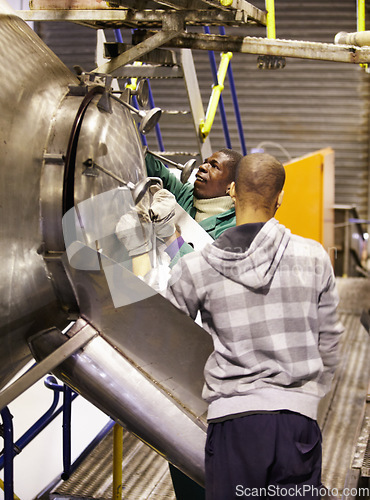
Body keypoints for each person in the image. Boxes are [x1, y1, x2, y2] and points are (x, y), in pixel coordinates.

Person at [163, 152, 344, 499]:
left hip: (233, 422)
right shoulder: (314, 257)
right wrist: (304, 397)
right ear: (280, 198)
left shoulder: (195, 268)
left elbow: (168, 338)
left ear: (232, 192)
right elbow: (331, 343)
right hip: (297, 422)